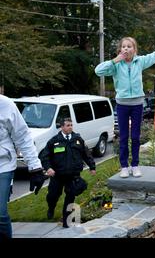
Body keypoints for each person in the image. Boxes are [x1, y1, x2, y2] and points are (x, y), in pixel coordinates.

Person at [95, 29, 155, 178]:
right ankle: (124, 166)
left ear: (134, 49)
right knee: (123, 137)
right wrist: (114, 60)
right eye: (124, 46)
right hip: (122, 104)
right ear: (120, 49)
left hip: (137, 104)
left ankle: (135, 165)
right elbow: (98, 71)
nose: (126, 49)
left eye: (129, 46)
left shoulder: (140, 61)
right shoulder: (115, 65)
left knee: (135, 136)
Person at [0, 94, 47, 239]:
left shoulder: (5, 104)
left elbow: (22, 136)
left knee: (0, 215)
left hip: (3, 166)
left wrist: (35, 168)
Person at [39, 118, 96, 228]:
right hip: (58, 176)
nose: (70, 127)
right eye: (68, 125)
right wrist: (48, 168)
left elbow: (86, 154)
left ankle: (66, 221)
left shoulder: (77, 139)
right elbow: (44, 156)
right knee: (52, 196)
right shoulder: (54, 141)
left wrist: (92, 166)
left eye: (71, 125)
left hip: (73, 176)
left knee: (70, 198)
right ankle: (51, 208)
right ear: (62, 127)